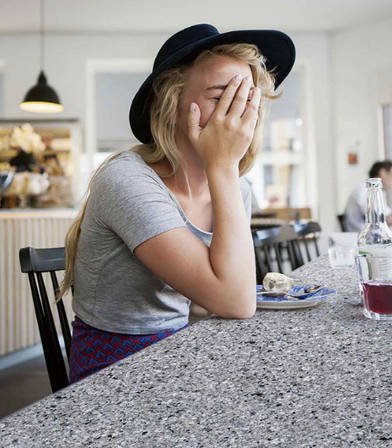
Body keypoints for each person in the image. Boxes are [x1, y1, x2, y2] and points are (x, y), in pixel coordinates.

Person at [59, 24, 295, 383]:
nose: (239, 116)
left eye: (246, 100)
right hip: (110, 370)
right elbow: (236, 302)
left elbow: (222, 297)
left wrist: (224, 172)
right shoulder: (126, 181)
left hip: (176, 349)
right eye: (221, 97)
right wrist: (224, 165)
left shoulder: (234, 188)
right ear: (172, 107)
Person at [344, 161, 392, 232]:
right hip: (363, 237)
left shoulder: (380, 193)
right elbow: (377, 221)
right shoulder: (364, 190)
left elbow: (387, 216)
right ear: (383, 172)